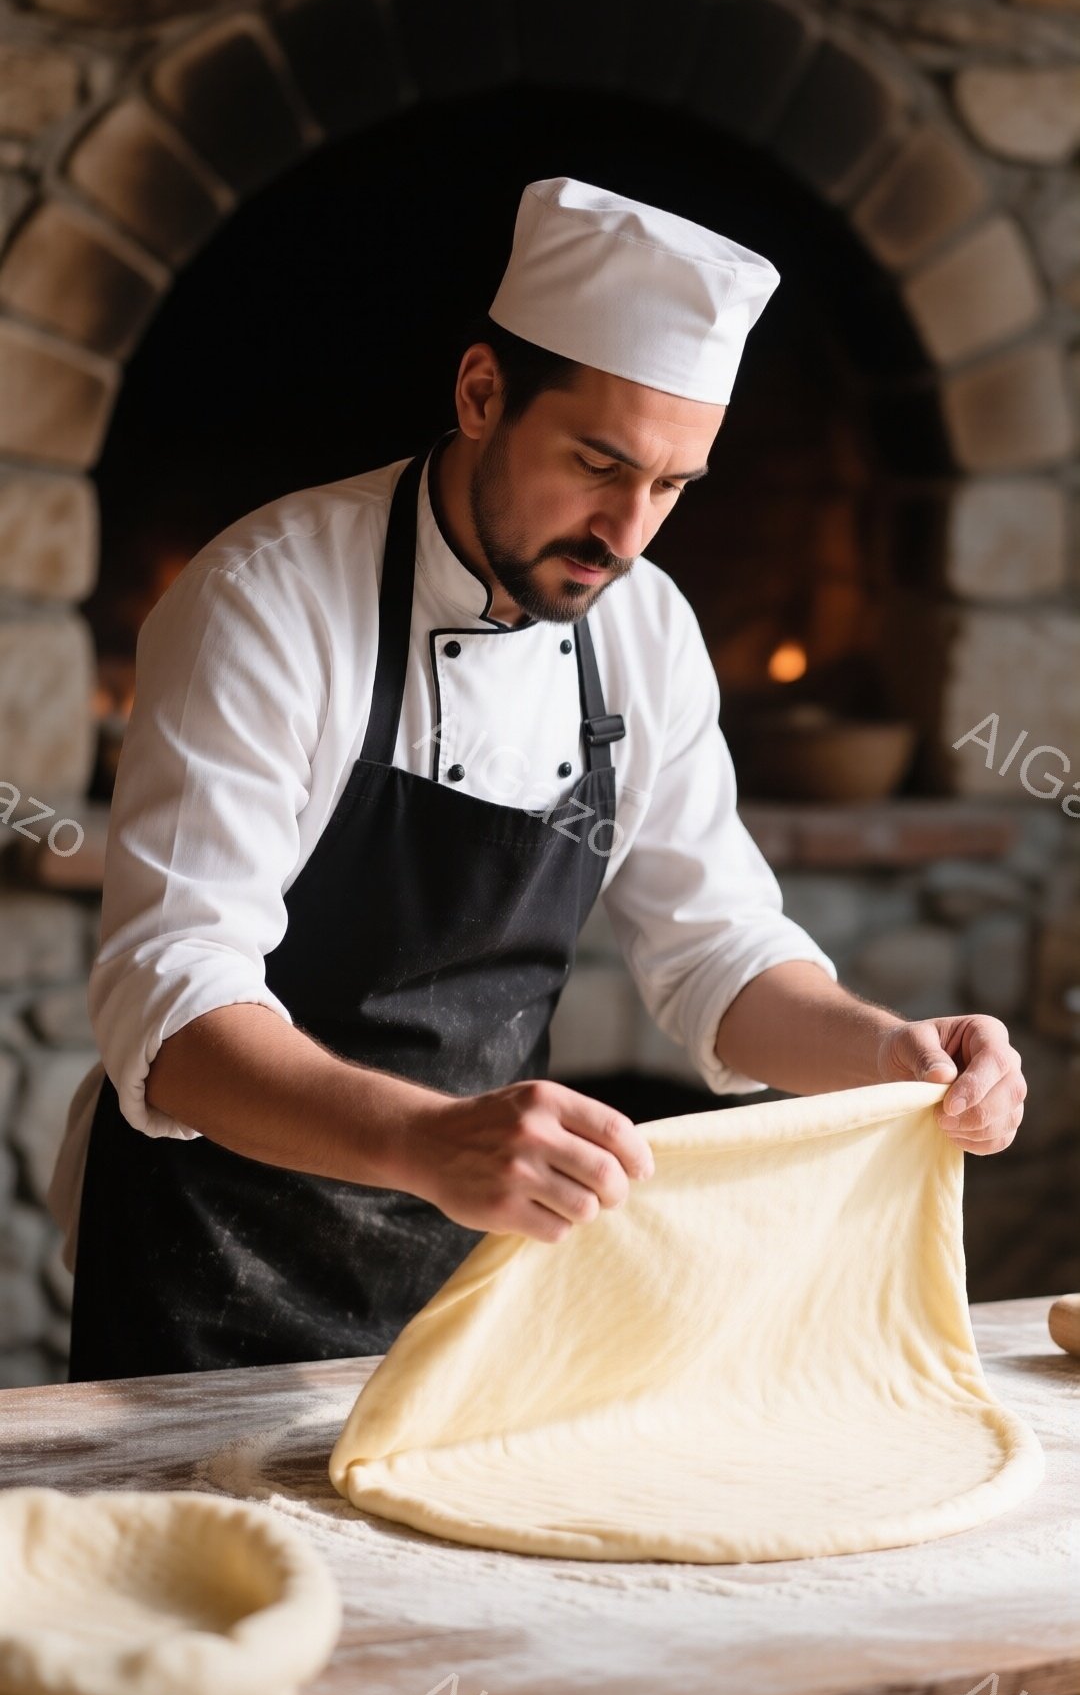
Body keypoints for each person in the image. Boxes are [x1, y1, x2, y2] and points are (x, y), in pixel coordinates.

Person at [53, 177, 1026, 1382]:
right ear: (479, 393)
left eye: (671, 487)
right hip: (210, 1271)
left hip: (468, 1281)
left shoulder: (645, 633)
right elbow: (174, 1005)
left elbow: (719, 955)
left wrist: (890, 1052)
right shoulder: (266, 601)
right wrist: (430, 1139)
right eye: (599, 463)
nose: (626, 531)